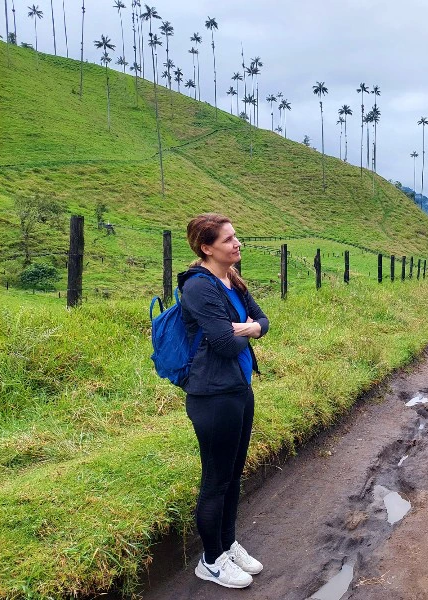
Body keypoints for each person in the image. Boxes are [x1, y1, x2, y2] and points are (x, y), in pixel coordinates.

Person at [178, 213, 270, 588]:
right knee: (215, 479)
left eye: (237, 237)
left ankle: (228, 543)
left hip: (239, 389)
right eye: (229, 239)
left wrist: (247, 327)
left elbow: (264, 321)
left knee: (233, 475)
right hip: (213, 395)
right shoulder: (199, 288)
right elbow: (222, 344)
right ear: (206, 247)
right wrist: (249, 330)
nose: (237, 244)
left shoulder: (232, 278)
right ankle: (210, 559)